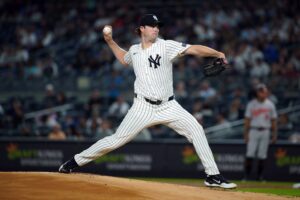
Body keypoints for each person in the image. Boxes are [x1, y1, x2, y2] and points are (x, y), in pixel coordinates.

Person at [59, 14, 236, 189]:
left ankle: (213, 176)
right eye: (152, 25)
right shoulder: (135, 50)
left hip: (168, 105)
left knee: (196, 130)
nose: (156, 29)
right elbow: (124, 58)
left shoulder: (165, 46)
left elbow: (193, 49)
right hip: (142, 107)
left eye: (158, 26)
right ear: (142, 28)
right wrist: (110, 41)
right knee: (115, 140)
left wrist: (217, 53)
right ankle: (73, 162)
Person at [243, 83, 277, 181]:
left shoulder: (270, 104)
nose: (263, 93)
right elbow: (247, 120)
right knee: (250, 154)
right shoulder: (251, 104)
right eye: (261, 91)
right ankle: (246, 176)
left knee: (262, 155)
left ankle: (260, 177)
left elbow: (274, 120)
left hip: (266, 130)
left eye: (264, 91)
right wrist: (246, 134)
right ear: (257, 93)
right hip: (253, 130)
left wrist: (274, 135)